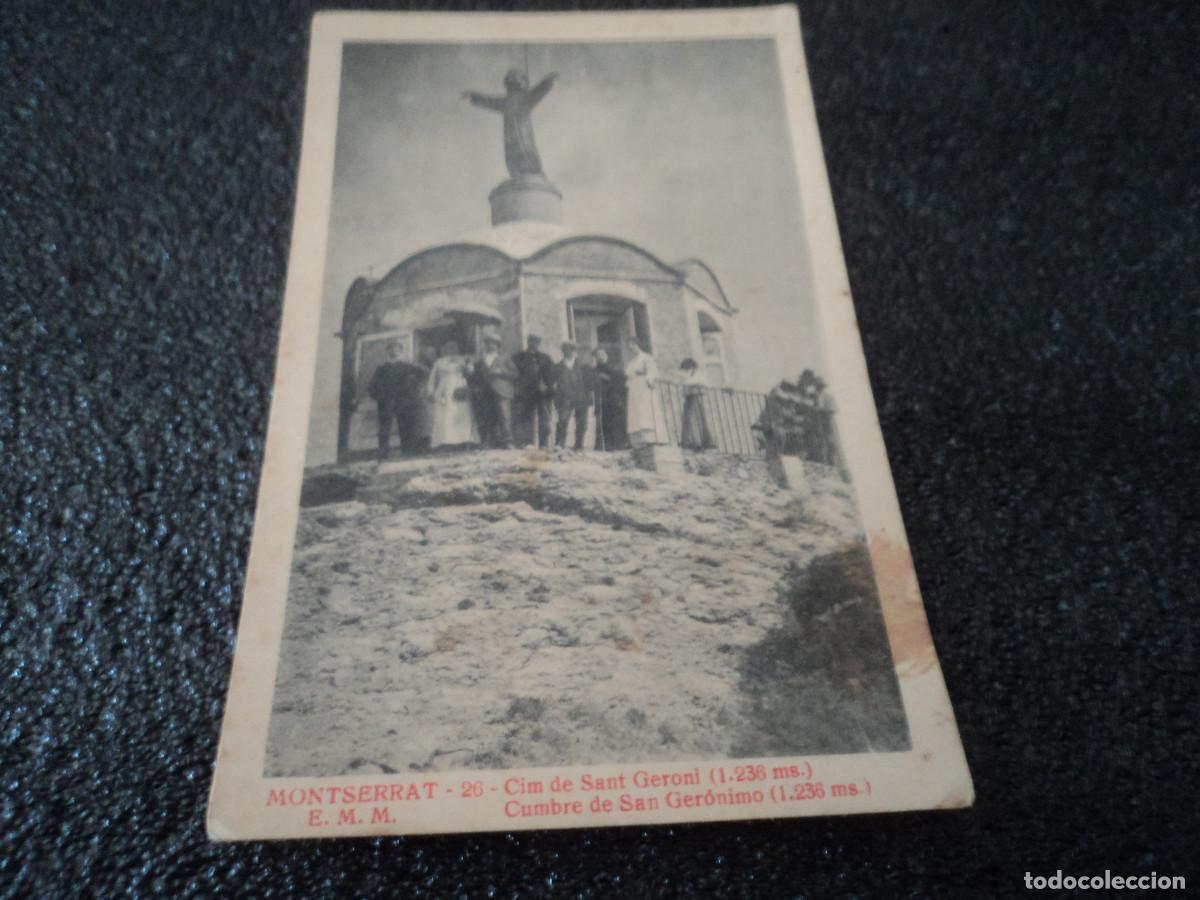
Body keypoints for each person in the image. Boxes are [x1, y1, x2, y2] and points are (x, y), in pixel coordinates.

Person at [368, 341, 426, 459]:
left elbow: (423, 372)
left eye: (397, 349)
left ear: (401, 351)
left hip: (402, 400)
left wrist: (413, 389)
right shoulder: (382, 367)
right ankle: (383, 451)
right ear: (388, 351)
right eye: (391, 348)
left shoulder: (406, 365)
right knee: (384, 427)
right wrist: (379, 396)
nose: (394, 351)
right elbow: (372, 385)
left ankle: (407, 450)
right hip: (386, 401)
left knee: (404, 425)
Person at [426, 341, 478, 449]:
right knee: (445, 415)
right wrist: (430, 391)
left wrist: (468, 364)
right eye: (449, 348)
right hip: (444, 389)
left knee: (462, 414)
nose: (452, 350)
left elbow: (470, 373)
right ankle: (446, 441)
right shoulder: (439, 362)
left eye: (454, 347)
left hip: (459, 388)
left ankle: (464, 440)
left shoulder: (463, 360)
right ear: (445, 349)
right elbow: (433, 377)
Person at [472, 335, 517, 448]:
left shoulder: (505, 358)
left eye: (493, 343)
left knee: (504, 416)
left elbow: (515, 374)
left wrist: (501, 372)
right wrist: (476, 387)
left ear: (498, 345)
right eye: (488, 343)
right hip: (485, 392)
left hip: (502, 391)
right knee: (486, 416)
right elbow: (475, 377)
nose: (490, 345)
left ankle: (508, 441)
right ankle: (487, 442)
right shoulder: (480, 361)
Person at [511, 334, 555, 449]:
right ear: (528, 342)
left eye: (536, 342)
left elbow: (552, 376)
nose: (533, 344)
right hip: (526, 392)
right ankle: (528, 442)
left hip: (542, 393)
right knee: (526, 417)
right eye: (531, 341)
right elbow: (514, 375)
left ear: (539, 344)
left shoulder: (546, 358)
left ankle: (543, 443)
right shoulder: (518, 357)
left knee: (544, 417)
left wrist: (547, 386)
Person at [552, 342, 592, 450]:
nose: (567, 352)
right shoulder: (557, 367)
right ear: (562, 351)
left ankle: (579, 444)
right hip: (565, 398)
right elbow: (552, 383)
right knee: (562, 420)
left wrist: (588, 397)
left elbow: (589, 383)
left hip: (581, 397)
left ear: (574, 351)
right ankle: (559, 444)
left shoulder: (583, 366)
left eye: (570, 349)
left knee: (581, 422)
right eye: (565, 349)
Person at [623, 337, 660, 447]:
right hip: (633, 389)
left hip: (643, 387)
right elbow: (628, 375)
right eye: (629, 346)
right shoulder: (631, 362)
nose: (631, 348)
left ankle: (649, 438)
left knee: (644, 412)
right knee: (635, 413)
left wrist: (649, 380)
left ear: (637, 344)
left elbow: (651, 371)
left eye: (633, 345)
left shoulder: (646, 358)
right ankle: (638, 440)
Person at [591, 348, 627, 451]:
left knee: (616, 421)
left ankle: (619, 445)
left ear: (606, 355)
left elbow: (621, 381)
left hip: (614, 398)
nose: (600, 357)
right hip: (602, 399)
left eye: (602, 354)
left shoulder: (614, 367)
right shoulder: (595, 370)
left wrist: (607, 378)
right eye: (597, 355)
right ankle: (608, 446)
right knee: (605, 422)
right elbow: (593, 383)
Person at [678, 358, 715, 450]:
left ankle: (698, 442)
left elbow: (700, 382)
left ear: (692, 367)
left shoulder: (698, 375)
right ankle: (690, 441)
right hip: (689, 399)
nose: (687, 371)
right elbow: (684, 388)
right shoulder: (690, 376)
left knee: (695, 420)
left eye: (687, 368)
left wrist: (685, 381)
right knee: (688, 420)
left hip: (696, 398)